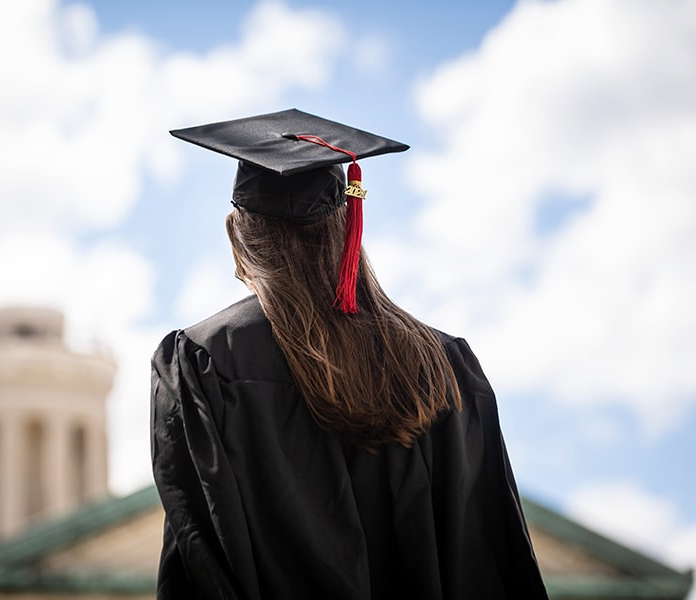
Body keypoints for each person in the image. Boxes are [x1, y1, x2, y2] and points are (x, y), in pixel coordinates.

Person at [150, 109, 548, 599]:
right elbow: (491, 554)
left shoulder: (202, 362)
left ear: (237, 235)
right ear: (348, 228)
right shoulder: (442, 364)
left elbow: (199, 563)